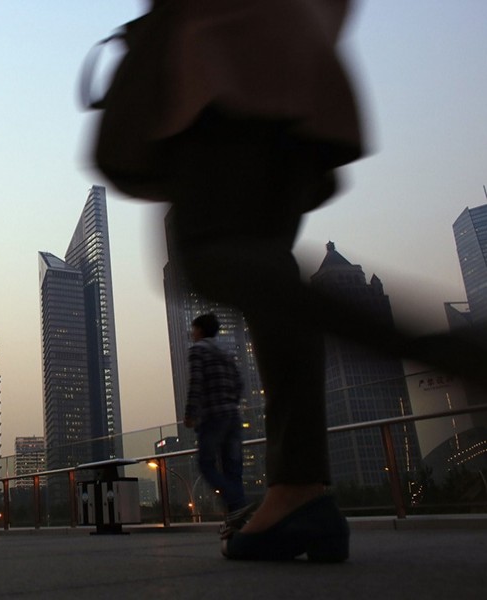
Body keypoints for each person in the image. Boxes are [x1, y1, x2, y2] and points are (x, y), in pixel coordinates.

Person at [94, 0, 487, 561]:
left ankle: (451, 352)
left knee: (208, 257)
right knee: (266, 275)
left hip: (227, 69)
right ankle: (301, 491)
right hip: (287, 71)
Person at [183, 314, 250, 533]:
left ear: (200, 330)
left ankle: (238, 503)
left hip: (212, 416)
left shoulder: (198, 350)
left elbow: (196, 383)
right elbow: (240, 383)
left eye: (193, 329)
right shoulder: (226, 352)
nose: (192, 334)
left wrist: (191, 413)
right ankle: (237, 523)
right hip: (233, 415)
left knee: (206, 464)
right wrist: (231, 403)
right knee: (233, 468)